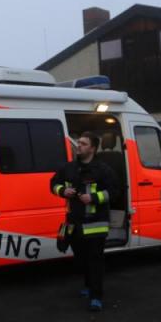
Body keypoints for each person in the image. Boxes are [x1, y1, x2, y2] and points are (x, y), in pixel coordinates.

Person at [50, 131, 115, 312]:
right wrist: (62, 191)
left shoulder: (103, 170)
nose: (78, 145)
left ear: (93, 148)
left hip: (95, 224)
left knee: (95, 261)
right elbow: (53, 183)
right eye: (78, 142)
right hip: (74, 224)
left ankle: (96, 297)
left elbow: (114, 191)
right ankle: (88, 285)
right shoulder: (69, 168)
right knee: (81, 259)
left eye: (83, 143)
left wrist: (93, 198)